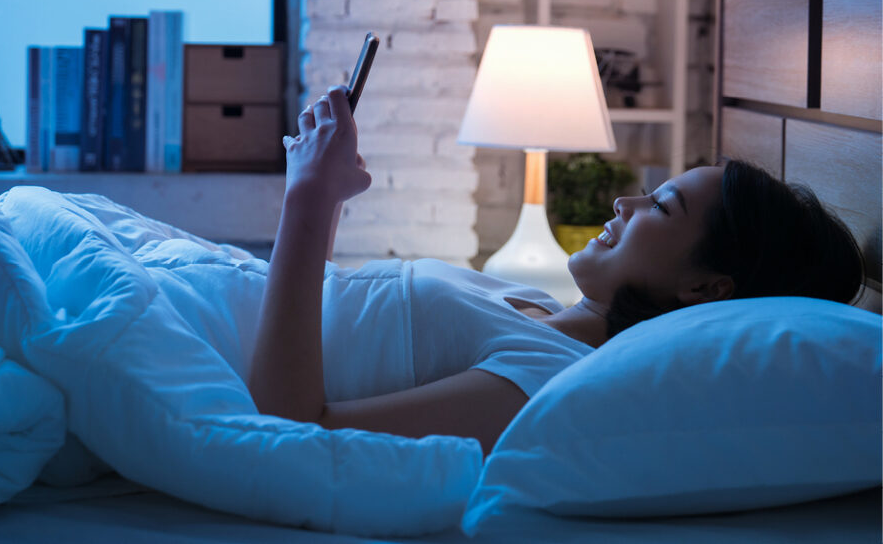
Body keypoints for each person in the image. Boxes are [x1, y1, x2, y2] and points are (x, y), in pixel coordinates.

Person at [247, 86, 864, 454]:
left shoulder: (544, 379)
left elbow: (293, 426)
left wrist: (307, 196)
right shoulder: (532, 306)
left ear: (705, 287)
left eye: (662, 206)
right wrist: (328, 202)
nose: (626, 202)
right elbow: (332, 319)